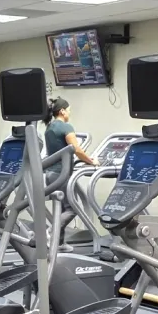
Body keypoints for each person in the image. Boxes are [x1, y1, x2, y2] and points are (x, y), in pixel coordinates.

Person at [42, 97, 96, 251]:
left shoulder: (49, 128)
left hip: (50, 174)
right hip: (61, 173)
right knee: (72, 209)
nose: (70, 113)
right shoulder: (66, 127)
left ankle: (59, 243)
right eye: (69, 110)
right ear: (62, 111)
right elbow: (76, 150)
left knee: (60, 209)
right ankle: (50, 232)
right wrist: (92, 161)